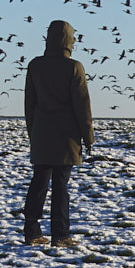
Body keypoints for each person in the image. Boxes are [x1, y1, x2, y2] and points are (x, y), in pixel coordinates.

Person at [23, 19, 94, 248]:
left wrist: (33, 132)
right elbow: (82, 105)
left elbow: (29, 104)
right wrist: (88, 136)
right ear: (68, 41)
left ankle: (32, 232)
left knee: (39, 182)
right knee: (61, 186)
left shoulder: (35, 65)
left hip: (42, 132)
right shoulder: (74, 67)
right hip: (67, 136)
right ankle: (61, 235)